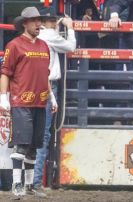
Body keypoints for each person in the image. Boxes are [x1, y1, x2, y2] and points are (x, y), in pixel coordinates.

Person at [0, 7, 57, 198]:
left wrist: (52, 96)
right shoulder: (14, 45)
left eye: (39, 20)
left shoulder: (43, 46)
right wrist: (3, 97)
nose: (38, 24)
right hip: (21, 101)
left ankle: (30, 185)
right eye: (34, 21)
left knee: (34, 145)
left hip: (40, 102)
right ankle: (17, 184)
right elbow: (5, 73)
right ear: (24, 23)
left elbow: (45, 75)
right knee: (21, 144)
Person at [34, 12, 76, 189]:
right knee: (43, 133)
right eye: (51, 20)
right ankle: (36, 180)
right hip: (48, 85)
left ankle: (31, 178)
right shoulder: (49, 35)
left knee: (36, 131)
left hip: (36, 84)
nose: (53, 23)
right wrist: (70, 27)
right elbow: (70, 47)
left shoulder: (41, 36)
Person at [74, 0, 122, 69]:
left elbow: (123, 20)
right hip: (88, 47)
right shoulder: (83, 3)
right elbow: (75, 18)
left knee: (110, 79)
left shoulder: (116, 3)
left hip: (110, 48)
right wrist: (82, 19)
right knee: (89, 81)